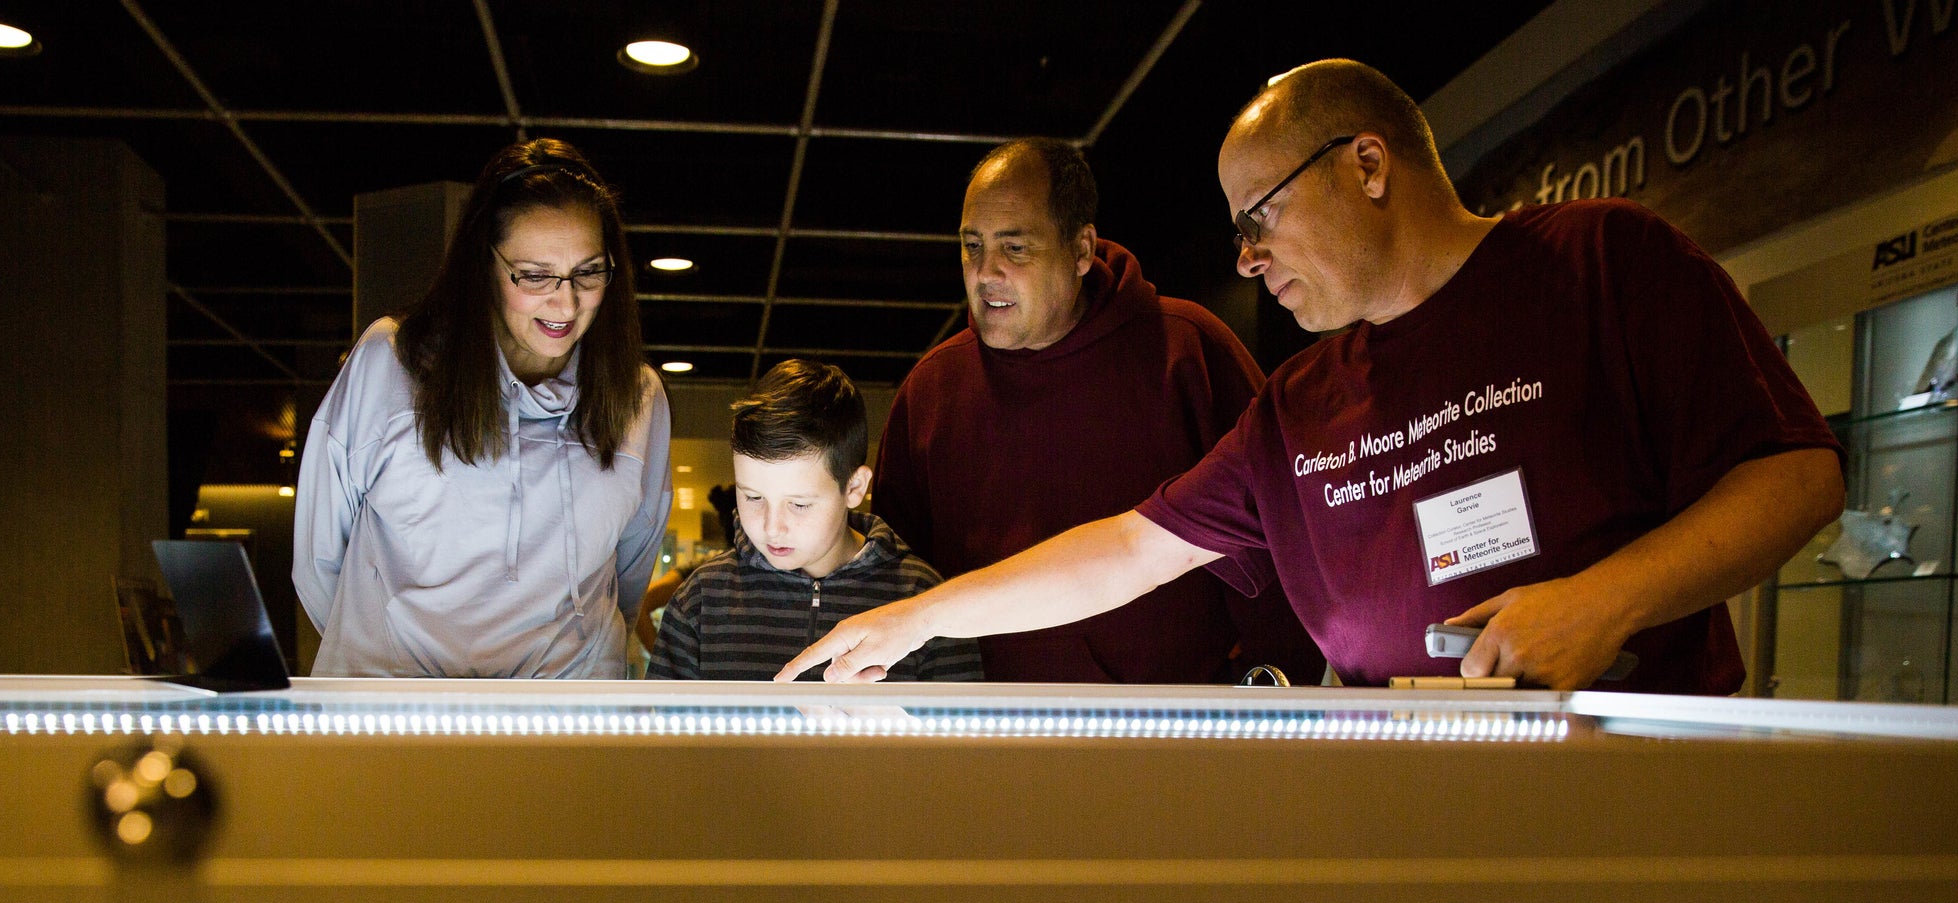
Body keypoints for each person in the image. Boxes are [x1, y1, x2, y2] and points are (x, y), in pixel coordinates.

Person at [783, 61, 1845, 694]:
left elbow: (1796, 474)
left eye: (1260, 218)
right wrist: (914, 618)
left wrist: (1607, 601)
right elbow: (1127, 549)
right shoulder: (1302, 403)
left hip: (1637, 816)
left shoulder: (1603, 263)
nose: (1246, 258)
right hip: (1412, 833)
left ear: (1367, 166)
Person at [872, 137, 1321, 685]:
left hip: (1172, 737)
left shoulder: (1187, 350)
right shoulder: (930, 390)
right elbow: (892, 580)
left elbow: (1280, 540)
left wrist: (1273, 698)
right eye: (971, 247)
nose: (985, 272)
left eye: (1014, 249)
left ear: (1081, 249)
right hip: (986, 740)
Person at [293, 139, 670, 677]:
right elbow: (317, 560)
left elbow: (629, 576)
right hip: (398, 722)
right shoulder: (392, 364)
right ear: (483, 265)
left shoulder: (638, 397)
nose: (565, 304)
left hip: (565, 731)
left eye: (588, 273)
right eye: (535, 276)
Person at [648, 360, 980, 682]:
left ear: (854, 488)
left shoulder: (921, 597)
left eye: (800, 504)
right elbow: (660, 733)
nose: (772, 527)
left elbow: (966, 735)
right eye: (752, 497)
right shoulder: (702, 599)